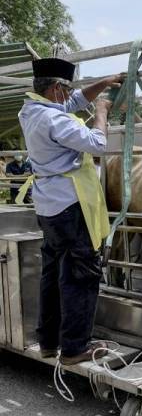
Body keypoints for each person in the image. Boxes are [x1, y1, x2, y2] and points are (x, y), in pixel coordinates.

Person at [18, 57, 123, 365]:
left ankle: (49, 342)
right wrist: (101, 112)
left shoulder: (32, 111)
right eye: (66, 90)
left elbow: (75, 101)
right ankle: (75, 348)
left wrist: (102, 83)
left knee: (52, 273)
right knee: (81, 275)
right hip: (69, 206)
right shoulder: (55, 120)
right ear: (54, 89)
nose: (70, 95)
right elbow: (97, 143)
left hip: (48, 207)